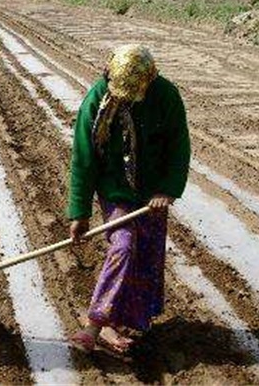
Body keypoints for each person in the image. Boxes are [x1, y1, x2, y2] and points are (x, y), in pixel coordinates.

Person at [66, 44, 190, 354]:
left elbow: (179, 148)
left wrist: (167, 190)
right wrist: (79, 212)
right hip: (115, 189)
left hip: (152, 194)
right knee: (122, 246)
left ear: (150, 80)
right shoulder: (97, 99)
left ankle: (121, 322)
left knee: (146, 257)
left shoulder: (165, 96)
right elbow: (84, 159)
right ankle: (95, 324)